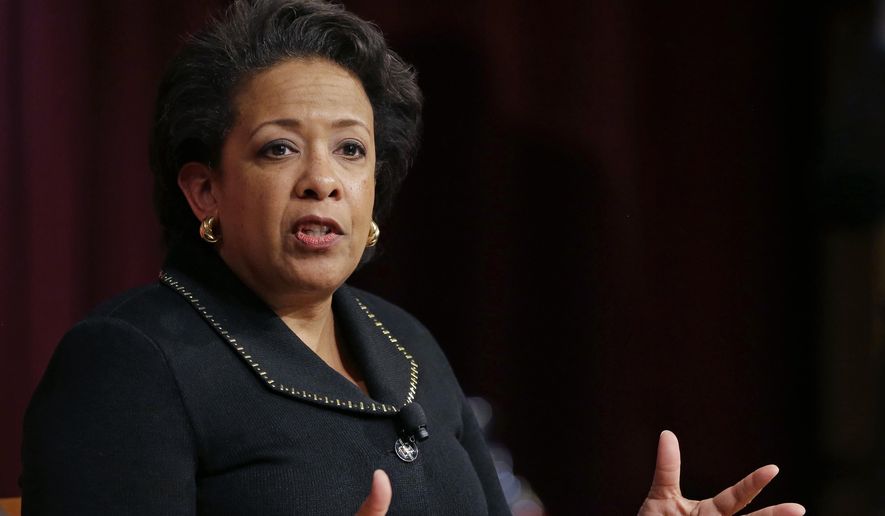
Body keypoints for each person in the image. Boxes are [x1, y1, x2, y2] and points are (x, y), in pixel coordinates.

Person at [20, 1, 806, 515]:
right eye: (279, 148)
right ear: (204, 191)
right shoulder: (130, 362)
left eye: (351, 150)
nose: (323, 180)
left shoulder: (404, 344)